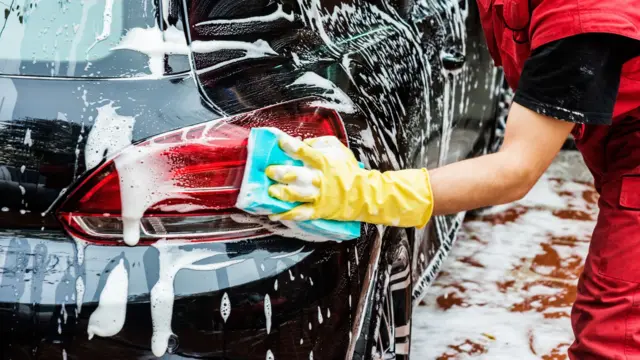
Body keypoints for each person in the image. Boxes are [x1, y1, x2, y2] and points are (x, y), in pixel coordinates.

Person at [265, 0, 640, 357]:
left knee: (615, 336)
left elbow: (517, 169)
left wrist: (364, 193)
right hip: (618, 147)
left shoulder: (581, 18)